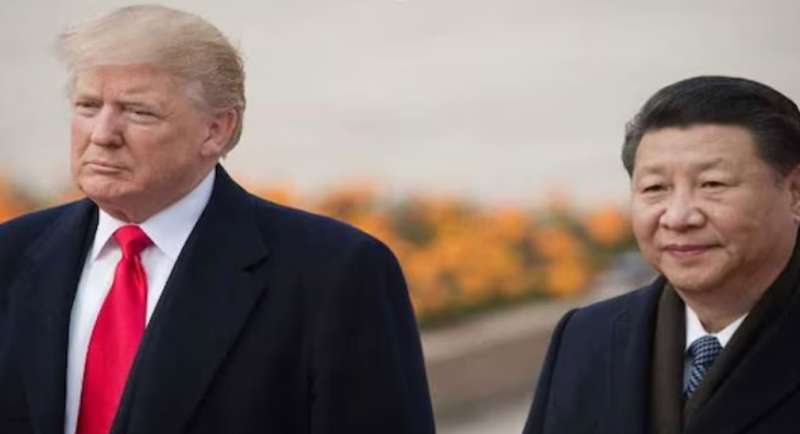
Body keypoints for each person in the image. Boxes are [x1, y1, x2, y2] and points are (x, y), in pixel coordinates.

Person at [0, 5, 435, 434]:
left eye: (138, 111)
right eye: (88, 106)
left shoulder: (335, 274)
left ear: (216, 130)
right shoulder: (11, 255)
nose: (102, 134)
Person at [522, 76, 800, 434]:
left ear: (794, 192)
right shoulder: (586, 336)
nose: (678, 217)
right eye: (655, 188)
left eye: (712, 184)